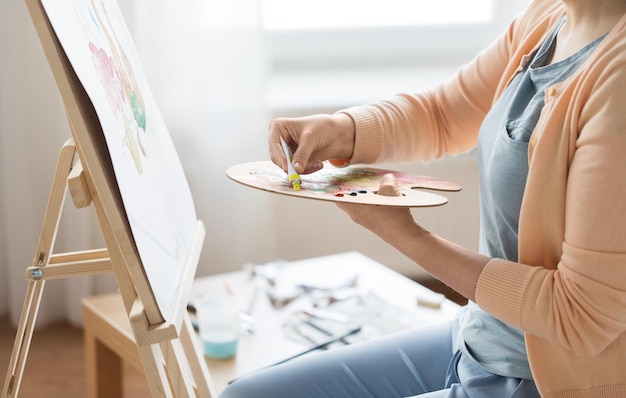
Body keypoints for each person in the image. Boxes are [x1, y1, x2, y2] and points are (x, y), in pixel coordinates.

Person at [220, 0, 626, 397]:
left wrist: (406, 236)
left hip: (542, 379)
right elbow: (444, 114)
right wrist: (340, 129)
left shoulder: (617, 81)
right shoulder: (550, 16)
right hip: (477, 335)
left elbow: (581, 316)